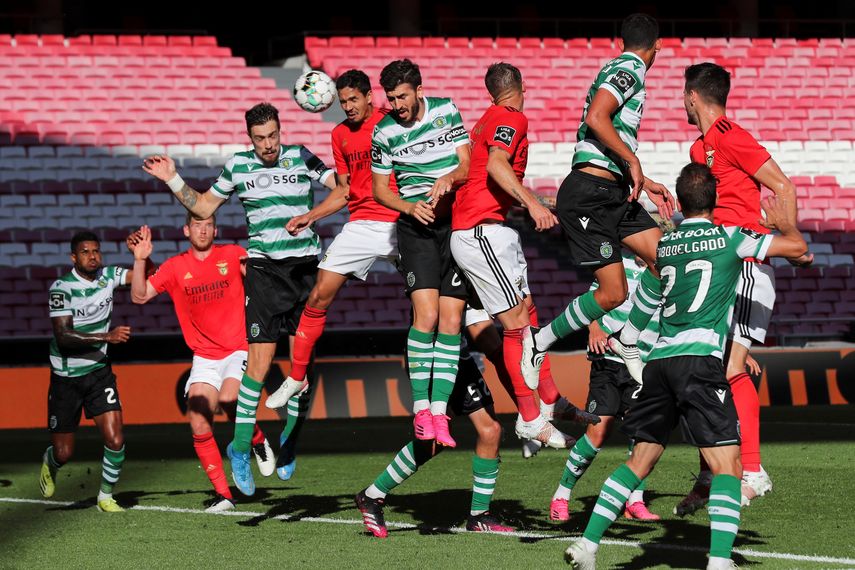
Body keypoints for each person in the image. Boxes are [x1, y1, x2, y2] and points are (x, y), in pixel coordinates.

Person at [564, 163, 809, 570]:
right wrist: (788, 225)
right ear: (715, 200)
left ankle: (587, 545)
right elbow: (797, 251)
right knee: (729, 464)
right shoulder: (730, 236)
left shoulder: (666, 246)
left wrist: (627, 340)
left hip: (660, 361)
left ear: (680, 202)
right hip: (700, 361)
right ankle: (717, 562)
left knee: (639, 459)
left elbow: (643, 305)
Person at [142, 102, 337, 496]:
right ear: (249, 137)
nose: (268, 144)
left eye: (273, 135)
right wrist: (173, 178)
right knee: (260, 365)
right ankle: (241, 451)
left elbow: (344, 190)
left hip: (305, 271)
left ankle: (290, 443)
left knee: (302, 371)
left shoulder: (301, 156)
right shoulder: (238, 166)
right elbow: (202, 206)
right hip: (265, 272)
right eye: (260, 138)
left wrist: (311, 216)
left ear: (281, 130)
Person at [676, 62, 813, 512]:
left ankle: (752, 470)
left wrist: (790, 234)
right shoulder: (700, 149)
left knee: (731, 368)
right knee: (704, 372)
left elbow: (782, 184)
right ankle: (709, 472)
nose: (681, 100)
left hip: (748, 263)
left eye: (683, 93)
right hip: (719, 265)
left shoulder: (734, 136)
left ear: (694, 95)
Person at [520, 13, 674, 388]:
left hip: (614, 192)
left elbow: (604, 138)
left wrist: (643, 177)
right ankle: (539, 342)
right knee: (613, 293)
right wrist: (634, 160)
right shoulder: (630, 69)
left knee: (666, 262)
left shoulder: (623, 67)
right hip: (589, 195)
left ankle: (628, 339)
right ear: (658, 46)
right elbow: (597, 116)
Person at [264, 70, 399, 455]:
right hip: (360, 223)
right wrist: (310, 216)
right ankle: (297, 377)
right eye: (343, 102)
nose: (349, 107)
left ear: (370, 97)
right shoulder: (339, 135)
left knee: (434, 297)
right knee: (318, 295)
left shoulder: (390, 122)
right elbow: (344, 190)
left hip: (398, 218)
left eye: (354, 100)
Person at [449, 62, 575, 448]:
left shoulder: (488, 117)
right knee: (517, 323)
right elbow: (498, 165)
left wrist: (531, 201)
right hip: (480, 230)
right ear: (521, 86)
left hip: (488, 227)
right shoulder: (510, 117)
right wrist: (532, 204)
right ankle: (530, 416)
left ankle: (549, 397)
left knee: (527, 309)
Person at [128, 216, 275, 512]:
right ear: (186, 230)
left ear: (216, 230)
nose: (203, 229)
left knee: (230, 399)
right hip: (205, 357)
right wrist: (141, 260)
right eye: (197, 225)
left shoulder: (232, 254)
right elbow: (140, 296)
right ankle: (225, 496)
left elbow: (261, 282)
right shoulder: (174, 267)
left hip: (237, 347)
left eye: (208, 224)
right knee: (197, 422)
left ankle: (257, 440)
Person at [371, 59, 471, 448]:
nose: (397, 104)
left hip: (455, 228)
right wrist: (409, 207)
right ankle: (421, 411)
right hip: (416, 229)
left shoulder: (447, 110)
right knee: (426, 315)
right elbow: (380, 190)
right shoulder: (384, 131)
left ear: (419, 89)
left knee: (451, 320)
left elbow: (467, 163)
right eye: (391, 98)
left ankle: (441, 413)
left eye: (402, 96)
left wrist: (449, 178)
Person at [355, 315, 513, 537]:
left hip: (459, 355)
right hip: (432, 359)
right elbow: (439, 316)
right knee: (434, 441)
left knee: (491, 431)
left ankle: (479, 515)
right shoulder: (437, 281)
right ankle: (372, 495)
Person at [549, 254, 660, 522]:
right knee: (598, 432)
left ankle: (635, 501)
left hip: (643, 364)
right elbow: (592, 304)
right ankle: (561, 495)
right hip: (609, 360)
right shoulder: (618, 267)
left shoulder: (666, 273)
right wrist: (594, 329)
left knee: (641, 433)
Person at [40, 231, 141, 512]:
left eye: (96, 251)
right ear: (74, 257)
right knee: (64, 453)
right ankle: (51, 460)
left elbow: (146, 276)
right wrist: (106, 337)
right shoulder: (61, 288)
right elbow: (63, 336)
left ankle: (105, 496)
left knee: (116, 438)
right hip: (67, 377)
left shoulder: (109, 276)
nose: (93, 256)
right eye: (85, 252)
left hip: (99, 372)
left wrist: (141, 256)